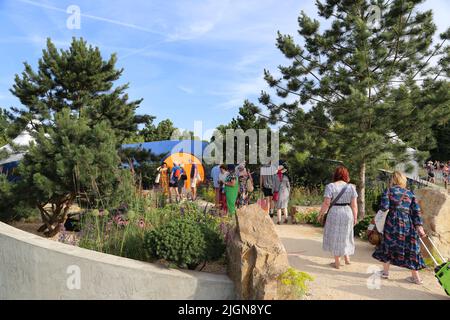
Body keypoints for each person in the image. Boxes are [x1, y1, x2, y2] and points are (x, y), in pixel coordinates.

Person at [372, 171, 426, 284]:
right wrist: (419, 226)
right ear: (403, 180)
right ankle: (416, 278)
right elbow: (416, 212)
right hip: (407, 224)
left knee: (388, 245)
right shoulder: (410, 194)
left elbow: (384, 207)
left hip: (392, 222)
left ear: (393, 179)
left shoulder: (389, 191)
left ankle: (385, 273)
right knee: (410, 248)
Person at [318, 166, 358, 269]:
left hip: (335, 212)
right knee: (346, 234)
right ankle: (347, 259)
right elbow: (354, 205)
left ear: (335, 175)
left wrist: (321, 214)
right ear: (346, 175)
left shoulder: (330, 186)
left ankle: (337, 262)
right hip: (347, 212)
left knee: (336, 235)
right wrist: (355, 217)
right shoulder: (351, 187)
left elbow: (326, 203)